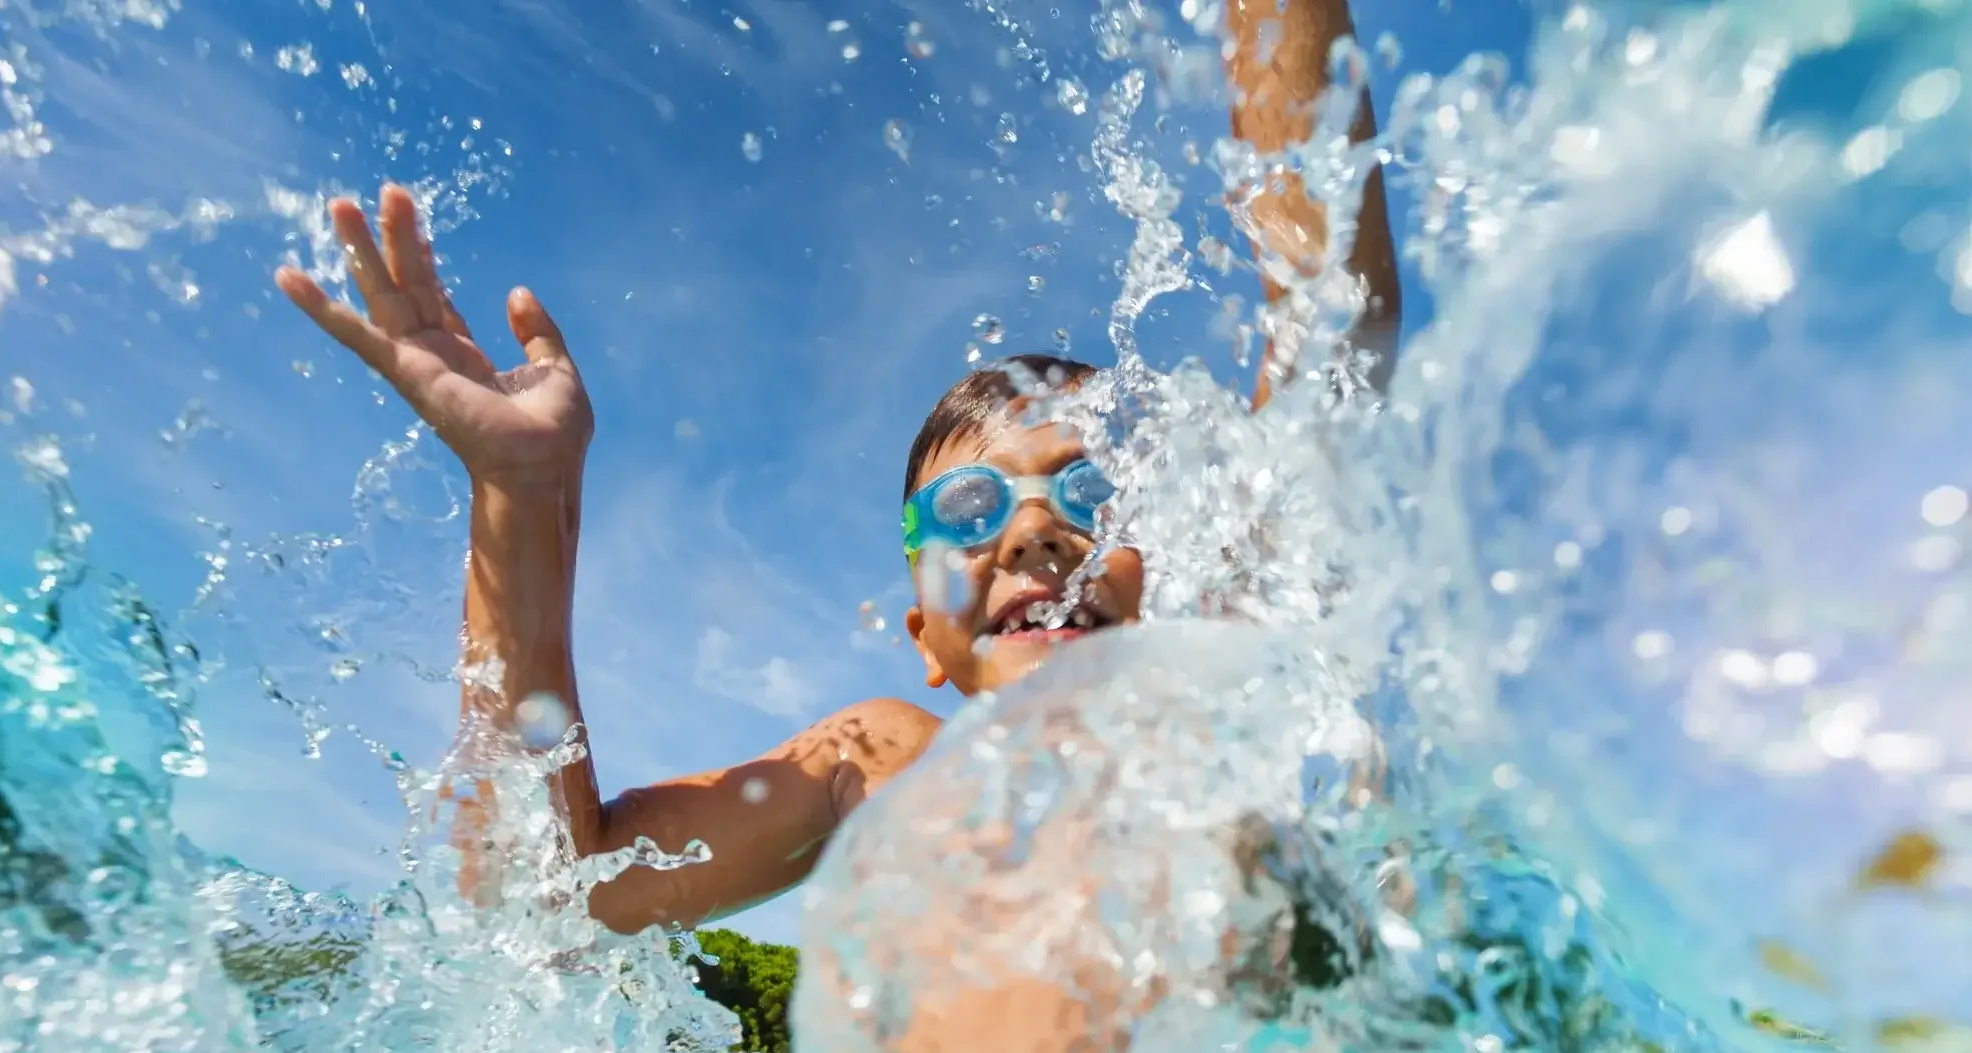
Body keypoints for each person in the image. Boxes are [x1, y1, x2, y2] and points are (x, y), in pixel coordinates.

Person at [274, 0, 1401, 946]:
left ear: (1171, 562)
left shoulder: (1234, 748)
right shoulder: (882, 761)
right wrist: (518, 505)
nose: (1039, 529)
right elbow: (545, 892)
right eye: (969, 509)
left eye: (1096, 493)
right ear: (926, 635)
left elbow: (1330, 335)